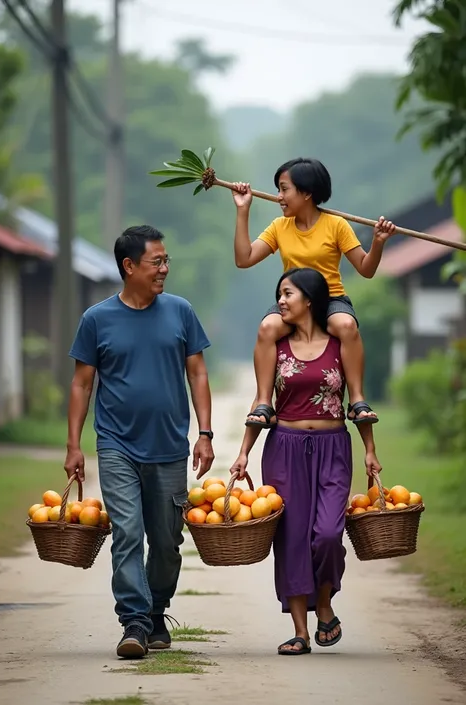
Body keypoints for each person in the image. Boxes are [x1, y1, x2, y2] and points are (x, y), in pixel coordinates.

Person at [64, 224, 215, 659]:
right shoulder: (96, 319)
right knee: (127, 532)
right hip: (116, 445)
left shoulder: (181, 311)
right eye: (157, 261)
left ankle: (155, 611)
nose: (165, 268)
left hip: (170, 446)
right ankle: (133, 619)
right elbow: (81, 385)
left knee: (167, 541)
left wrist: (205, 433)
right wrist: (74, 445)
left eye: (166, 260)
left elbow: (198, 372)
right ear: (129, 267)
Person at [230, 267, 382, 655]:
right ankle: (300, 630)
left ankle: (326, 602)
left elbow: (357, 403)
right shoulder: (275, 347)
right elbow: (262, 403)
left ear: (310, 300)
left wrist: (370, 449)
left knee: (328, 534)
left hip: (333, 447)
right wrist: (244, 451)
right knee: (293, 538)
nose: (280, 302)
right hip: (285, 448)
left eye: (287, 294)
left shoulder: (339, 343)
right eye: (279, 294)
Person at [231, 157, 396, 429]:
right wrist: (242, 210)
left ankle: (356, 400)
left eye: (284, 189)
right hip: (292, 302)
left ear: (306, 193)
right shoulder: (279, 227)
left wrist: (378, 243)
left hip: (330, 300)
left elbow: (366, 269)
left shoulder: (337, 225)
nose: (279, 197)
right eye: (278, 190)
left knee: (346, 325)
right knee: (266, 328)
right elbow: (244, 258)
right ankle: (263, 402)